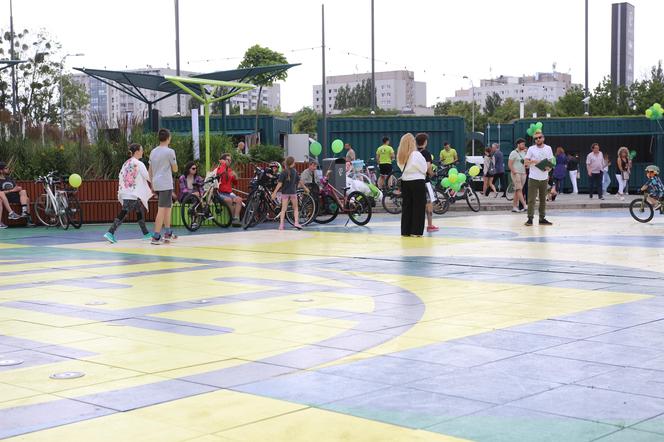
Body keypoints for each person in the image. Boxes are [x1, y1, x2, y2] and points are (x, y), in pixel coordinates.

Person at [104, 144, 152, 243]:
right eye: (142, 150)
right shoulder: (139, 163)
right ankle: (110, 232)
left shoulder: (126, 163)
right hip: (132, 194)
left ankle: (146, 233)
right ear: (137, 151)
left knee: (139, 210)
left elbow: (121, 176)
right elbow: (148, 177)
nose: (143, 152)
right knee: (124, 212)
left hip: (126, 191)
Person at [149, 128, 178, 244]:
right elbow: (175, 169)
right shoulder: (170, 152)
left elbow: (150, 170)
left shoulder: (153, 151)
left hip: (156, 183)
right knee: (162, 209)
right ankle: (156, 236)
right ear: (168, 138)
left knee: (167, 208)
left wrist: (152, 184)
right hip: (166, 183)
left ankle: (168, 233)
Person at [396, 133, 427, 237]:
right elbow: (424, 169)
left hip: (405, 181)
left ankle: (405, 230)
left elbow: (401, 168)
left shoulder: (400, 156)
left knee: (407, 207)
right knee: (418, 207)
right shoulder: (416, 154)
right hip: (418, 181)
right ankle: (416, 231)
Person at [524, 130, 554, 226]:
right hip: (533, 177)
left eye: (539, 137)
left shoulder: (548, 148)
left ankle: (542, 218)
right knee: (531, 199)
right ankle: (530, 218)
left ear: (543, 138)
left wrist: (548, 168)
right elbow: (525, 162)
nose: (538, 139)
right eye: (536, 138)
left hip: (544, 177)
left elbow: (551, 162)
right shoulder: (531, 149)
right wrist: (534, 161)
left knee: (543, 199)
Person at [271, 156, 308, 230]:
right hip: (293, 193)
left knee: (283, 209)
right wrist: (305, 188)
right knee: (296, 208)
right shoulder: (295, 171)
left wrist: (274, 192)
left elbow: (280, 184)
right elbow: (300, 181)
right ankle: (296, 223)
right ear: (293, 163)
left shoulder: (283, 172)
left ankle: (281, 225)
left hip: (285, 193)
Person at [415, 132, 439, 232]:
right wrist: (433, 174)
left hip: (415, 181)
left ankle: (416, 225)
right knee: (429, 203)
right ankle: (430, 225)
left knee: (418, 204)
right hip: (426, 182)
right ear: (425, 142)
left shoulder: (414, 153)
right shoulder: (426, 153)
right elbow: (428, 168)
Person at [0, 161, 32, 226]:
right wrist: (12, 190)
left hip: (14, 196)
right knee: (1, 195)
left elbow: (15, 187)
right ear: (1, 171)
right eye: (6, 168)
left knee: (24, 193)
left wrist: (18, 188)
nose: (8, 169)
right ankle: (12, 213)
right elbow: (1, 193)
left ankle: (25, 212)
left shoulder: (9, 178)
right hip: (5, 198)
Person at [215, 153, 243, 227]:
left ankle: (236, 219)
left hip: (229, 193)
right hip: (219, 193)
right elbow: (220, 173)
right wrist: (223, 164)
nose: (229, 162)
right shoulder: (219, 168)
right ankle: (233, 219)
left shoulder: (230, 170)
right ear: (223, 161)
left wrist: (235, 177)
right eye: (228, 160)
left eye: (230, 160)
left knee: (239, 199)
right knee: (229, 200)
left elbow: (235, 183)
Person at [508, 138, 528, 213]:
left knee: (517, 190)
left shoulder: (524, 152)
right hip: (516, 173)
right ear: (518, 144)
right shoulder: (513, 153)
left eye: (524, 144)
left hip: (523, 173)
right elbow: (509, 164)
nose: (523, 145)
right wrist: (515, 172)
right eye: (522, 144)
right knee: (519, 189)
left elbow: (526, 163)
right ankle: (525, 205)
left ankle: (514, 207)